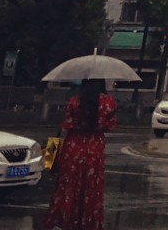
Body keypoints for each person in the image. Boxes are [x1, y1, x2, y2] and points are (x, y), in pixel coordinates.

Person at [44, 79, 116, 230]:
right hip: (94, 149)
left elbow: (65, 126)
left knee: (68, 185)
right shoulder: (108, 103)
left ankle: (64, 221)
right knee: (91, 187)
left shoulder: (75, 102)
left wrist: (52, 154)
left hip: (73, 147)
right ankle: (87, 222)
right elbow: (111, 126)